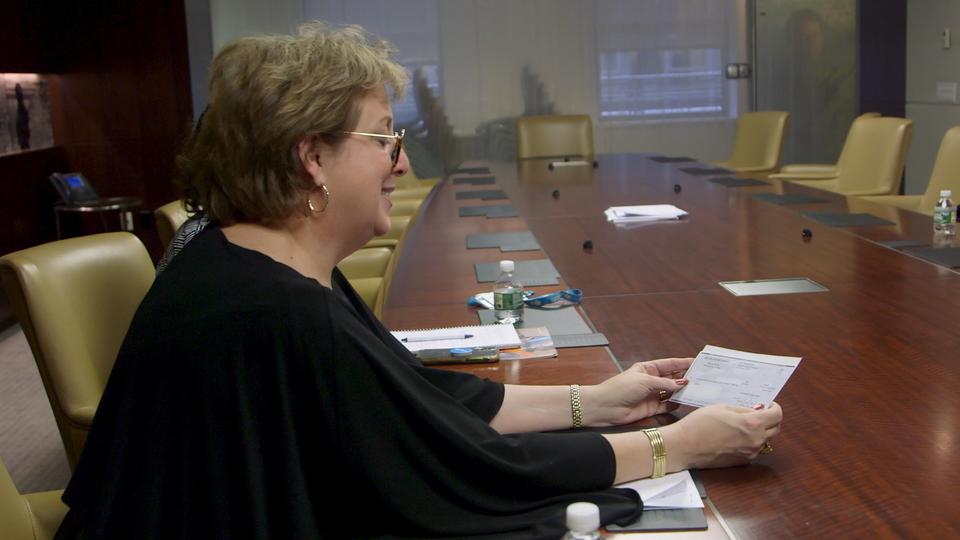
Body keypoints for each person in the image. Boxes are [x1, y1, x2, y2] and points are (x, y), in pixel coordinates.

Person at [55, 23, 782, 539]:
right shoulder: (276, 311)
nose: (401, 162)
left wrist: (594, 400)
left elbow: (416, 406)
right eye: (384, 138)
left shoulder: (249, 258)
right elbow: (460, 472)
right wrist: (676, 447)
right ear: (312, 156)